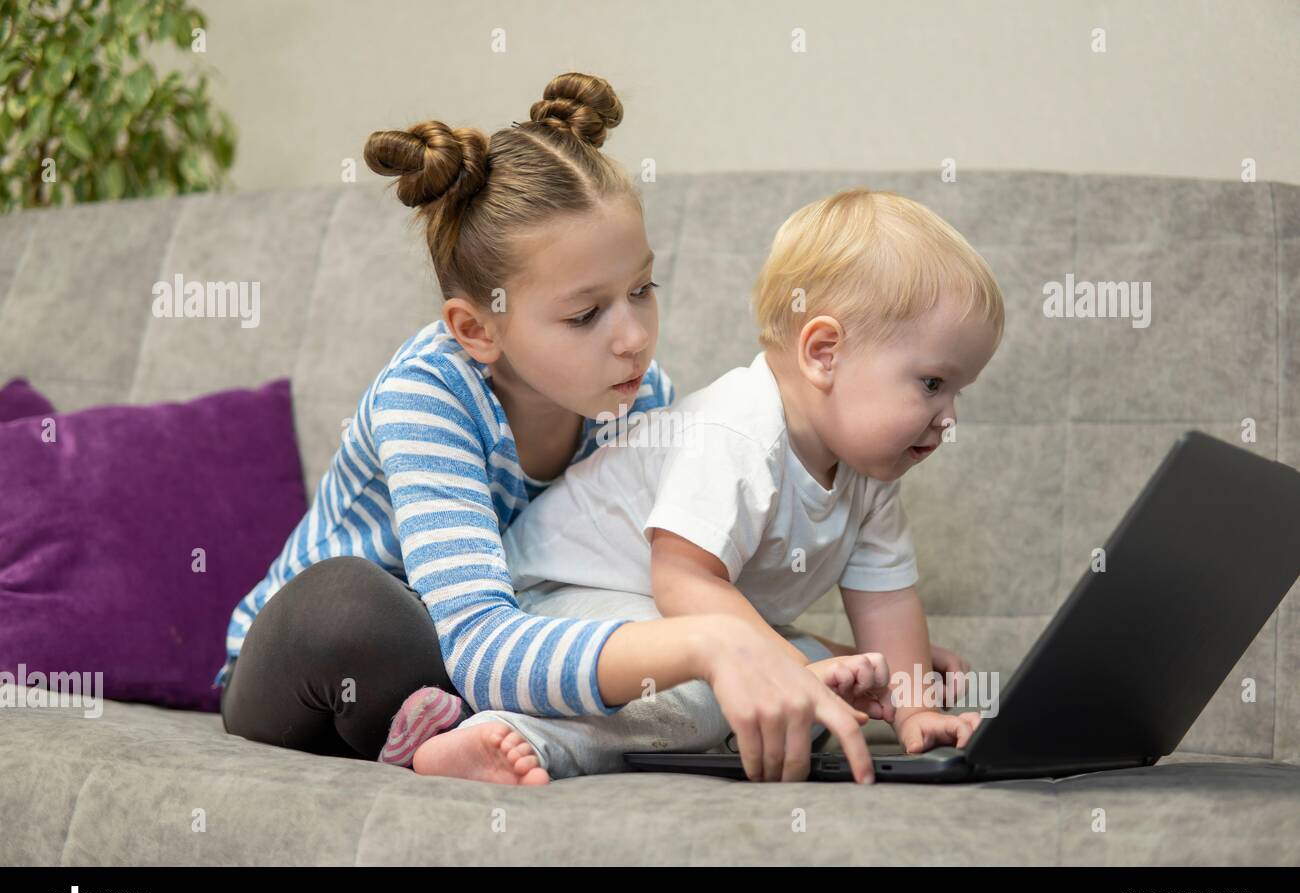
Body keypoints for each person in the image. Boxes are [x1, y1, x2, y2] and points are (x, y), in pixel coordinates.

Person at [217, 73, 885, 785]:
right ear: (477, 329)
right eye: (585, 314)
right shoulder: (427, 396)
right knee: (352, 609)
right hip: (330, 667)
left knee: (665, 634)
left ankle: (459, 737)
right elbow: (478, 644)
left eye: (641, 290)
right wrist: (706, 646)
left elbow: (671, 588)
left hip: (507, 642)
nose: (632, 336)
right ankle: (447, 725)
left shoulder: (637, 396)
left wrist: (810, 656)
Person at [411, 186, 1004, 784]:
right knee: (714, 690)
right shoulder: (738, 433)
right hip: (556, 602)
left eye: (959, 390)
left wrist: (915, 710)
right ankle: (517, 737)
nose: (949, 414)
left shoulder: (870, 473)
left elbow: (888, 597)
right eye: (932, 384)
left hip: (664, 615)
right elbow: (684, 578)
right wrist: (779, 670)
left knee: (842, 670)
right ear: (824, 353)